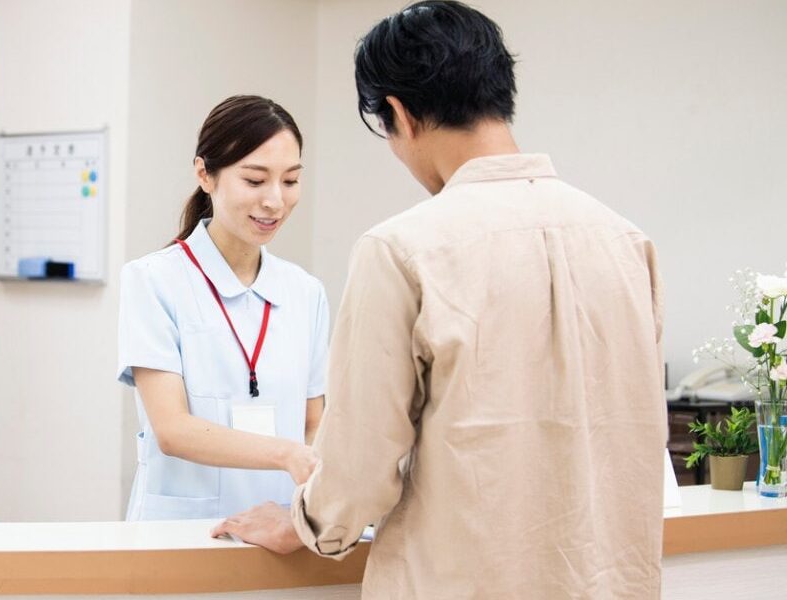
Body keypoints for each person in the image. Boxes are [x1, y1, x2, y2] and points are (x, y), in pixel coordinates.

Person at [211, 2, 666, 598]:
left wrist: (303, 523)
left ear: (399, 113)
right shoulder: (626, 241)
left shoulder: (402, 249)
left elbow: (361, 461)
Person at [117, 95, 329, 521]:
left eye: (290, 181)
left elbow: (314, 421)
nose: (274, 201)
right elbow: (173, 430)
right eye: (254, 181)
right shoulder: (154, 280)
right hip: (182, 532)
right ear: (205, 175)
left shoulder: (305, 292)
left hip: (280, 529)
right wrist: (287, 454)